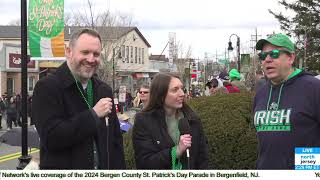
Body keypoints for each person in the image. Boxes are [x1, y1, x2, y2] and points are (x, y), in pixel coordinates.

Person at [32, 28, 125, 169]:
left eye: (96, 54)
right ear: (69, 52)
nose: (91, 59)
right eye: (85, 52)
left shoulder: (104, 90)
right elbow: (51, 138)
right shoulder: (47, 87)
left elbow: (115, 142)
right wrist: (93, 115)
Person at [253, 33, 320, 169]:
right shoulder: (261, 94)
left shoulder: (313, 88)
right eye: (263, 56)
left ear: (291, 57)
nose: (267, 59)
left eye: (275, 54)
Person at [132, 72, 208, 169]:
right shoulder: (143, 121)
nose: (182, 94)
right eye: (175, 90)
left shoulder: (192, 119)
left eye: (181, 88)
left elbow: (202, 157)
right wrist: (176, 152)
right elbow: (144, 162)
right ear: (161, 94)